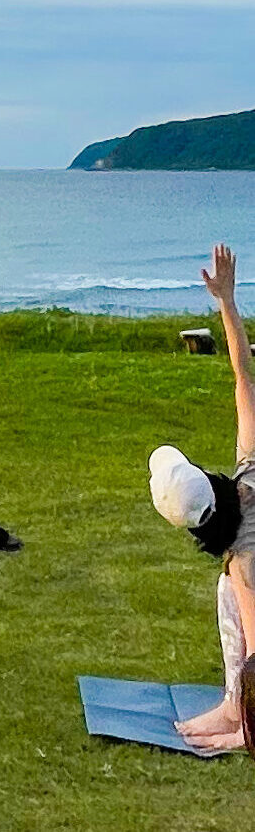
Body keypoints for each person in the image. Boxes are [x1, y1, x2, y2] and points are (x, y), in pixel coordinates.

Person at [152, 244, 255, 753]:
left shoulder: (245, 559)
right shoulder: (247, 468)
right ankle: (236, 706)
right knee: (226, 595)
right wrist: (227, 302)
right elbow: (242, 375)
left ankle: (244, 719)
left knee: (235, 595)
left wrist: (244, 736)